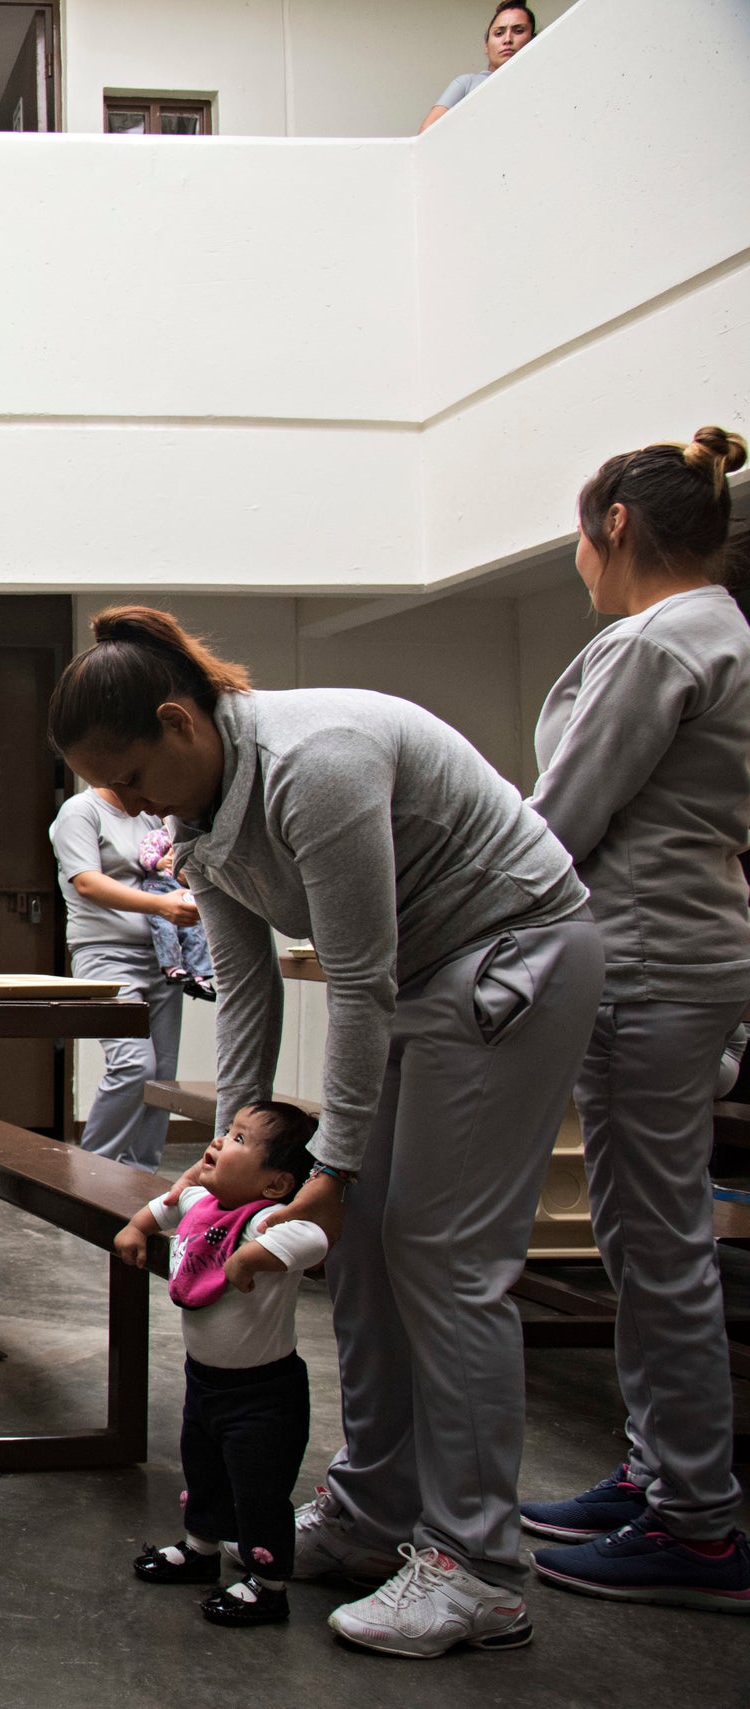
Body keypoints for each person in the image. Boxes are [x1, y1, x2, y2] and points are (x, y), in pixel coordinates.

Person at [50, 606, 602, 1660]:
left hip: (509, 956)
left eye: (129, 779)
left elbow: (356, 979)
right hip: (421, 984)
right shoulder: (202, 817)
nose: (127, 809)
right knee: (348, 1251)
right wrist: (230, 1170)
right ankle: (371, 1511)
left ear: (179, 723)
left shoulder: (320, 762)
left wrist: (333, 1163)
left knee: (442, 1259)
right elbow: (246, 990)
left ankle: (477, 1563)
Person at [517, 426, 750, 1612]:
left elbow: (561, 815)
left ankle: (697, 1522)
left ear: (613, 525)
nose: (575, 555)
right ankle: (664, 1473)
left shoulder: (662, 638)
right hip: (678, 955)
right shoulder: (709, 631)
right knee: (646, 1236)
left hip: (655, 963)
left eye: (577, 532)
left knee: (657, 1245)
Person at [119, 1101, 327, 1628]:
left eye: (238, 1139)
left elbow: (314, 1238)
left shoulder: (265, 1221)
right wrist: (136, 1228)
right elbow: (167, 1203)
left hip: (263, 1394)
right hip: (204, 1383)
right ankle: (200, 1550)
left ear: (278, 1184)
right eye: (225, 1131)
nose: (217, 1142)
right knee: (204, 1470)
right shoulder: (204, 1202)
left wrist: (252, 1255)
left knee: (259, 1489)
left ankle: (268, 1584)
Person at [50, 783, 191, 1165]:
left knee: (161, 1076)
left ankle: (140, 1177)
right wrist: (161, 906)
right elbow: (87, 882)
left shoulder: (150, 812)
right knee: (133, 1064)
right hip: (104, 953)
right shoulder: (82, 811)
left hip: (164, 955)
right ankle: (90, 1173)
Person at [420, 4, 536, 130]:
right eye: (499, 33)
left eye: (519, 31)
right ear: (487, 45)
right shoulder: (466, 84)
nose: (507, 39)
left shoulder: (540, 83)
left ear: (533, 39)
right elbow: (427, 132)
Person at [135, 819, 215, 999]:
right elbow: (146, 857)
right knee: (165, 928)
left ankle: (198, 972)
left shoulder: (189, 839)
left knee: (195, 929)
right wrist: (161, 862)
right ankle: (172, 967)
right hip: (160, 886)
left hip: (182, 887)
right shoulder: (157, 836)